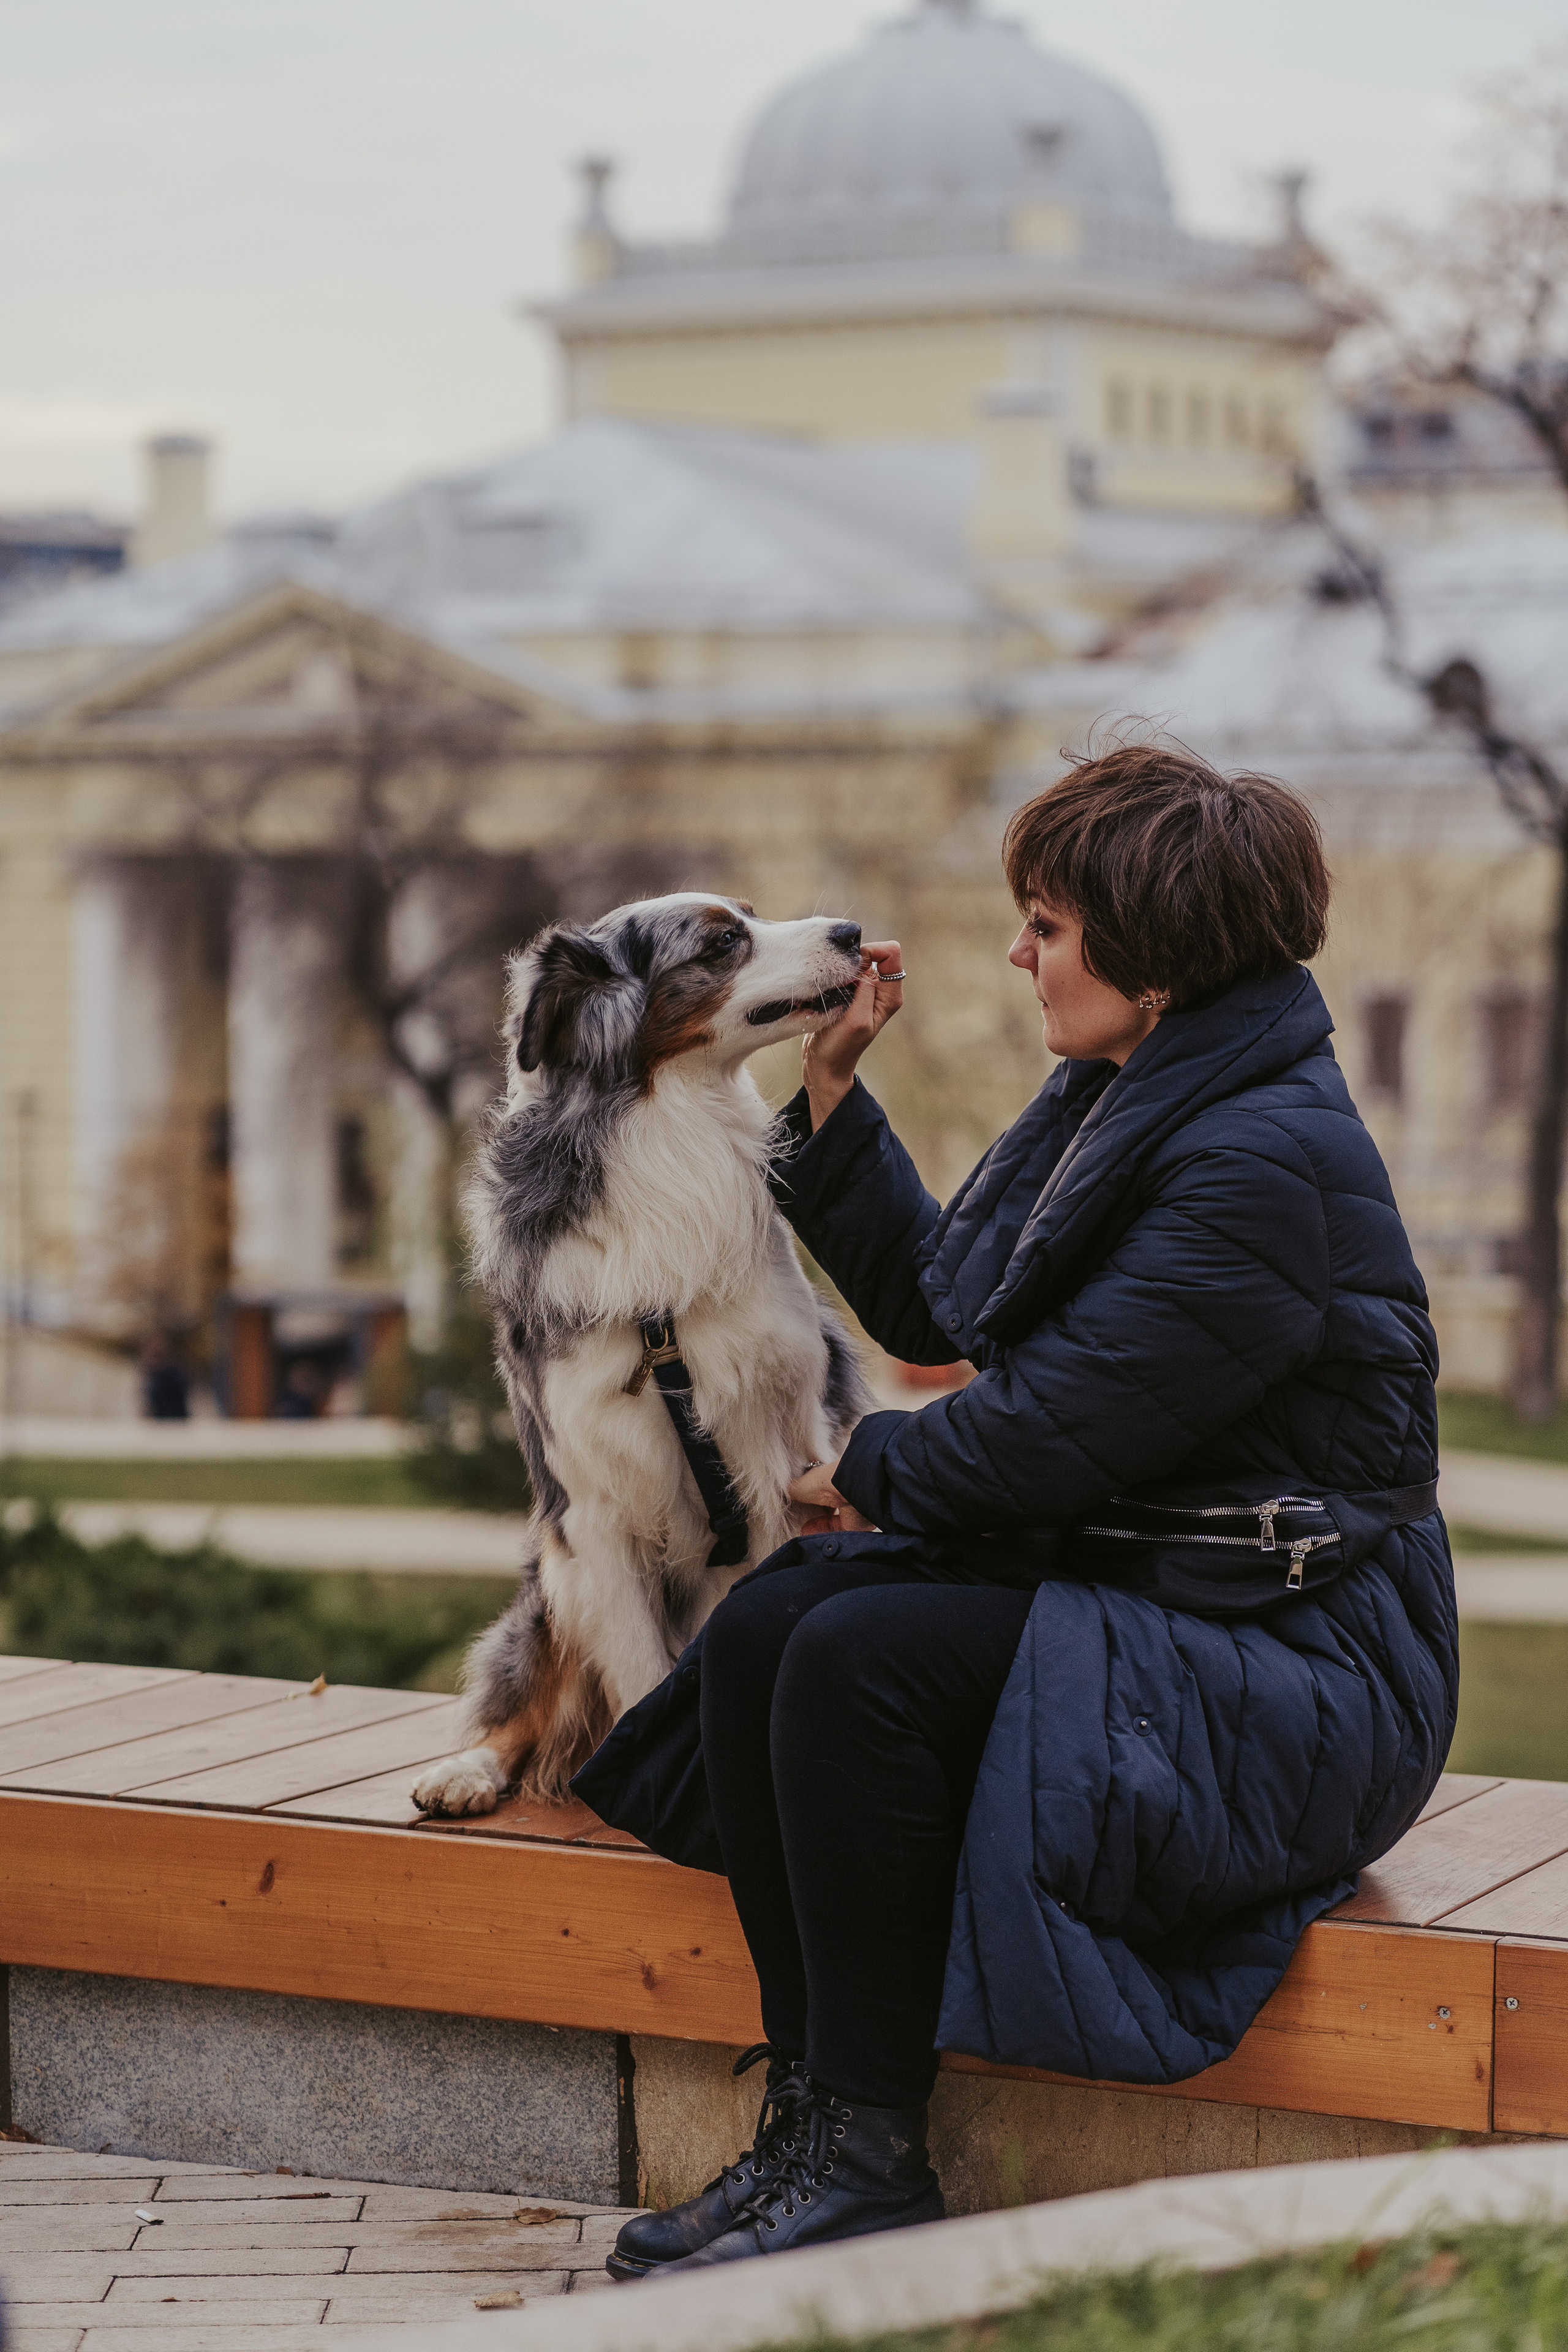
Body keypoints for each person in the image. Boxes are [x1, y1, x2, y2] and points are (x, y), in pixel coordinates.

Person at [575, 741, 1456, 2280]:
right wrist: (831, 1094)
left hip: (1307, 1667)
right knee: (785, 1619)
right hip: (1182, 1599)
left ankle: (863, 2149)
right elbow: (951, 1304)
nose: (1018, 951)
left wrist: (859, 1471)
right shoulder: (1128, 1095)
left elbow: (1049, 1437)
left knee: (862, 1657)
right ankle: (814, 2125)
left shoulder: (1259, 1161)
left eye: (1045, 924)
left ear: (1153, 945)